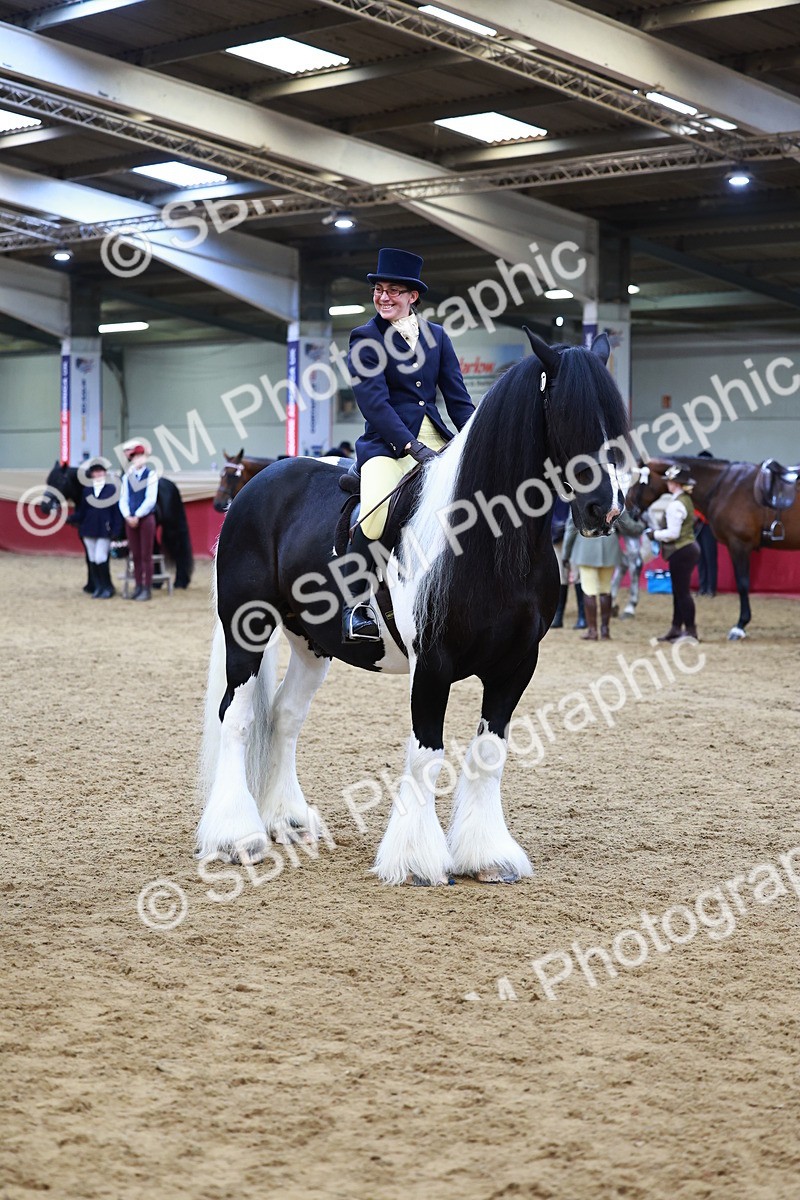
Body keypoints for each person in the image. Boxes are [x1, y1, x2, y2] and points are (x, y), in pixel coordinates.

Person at [342, 247, 475, 640]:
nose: (384, 297)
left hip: (437, 436)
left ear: (413, 296)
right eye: (379, 290)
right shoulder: (364, 338)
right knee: (377, 514)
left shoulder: (437, 337)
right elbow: (376, 405)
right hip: (387, 443)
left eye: (393, 291)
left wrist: (476, 438)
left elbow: (459, 400)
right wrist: (411, 447)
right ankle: (357, 604)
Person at [562, 507, 645, 640]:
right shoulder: (614, 500)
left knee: (589, 591)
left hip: (586, 548)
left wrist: (566, 554)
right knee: (606, 590)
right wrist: (642, 526)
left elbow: (571, 528)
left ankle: (592, 630)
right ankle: (605, 630)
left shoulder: (580, 500)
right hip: (609, 548)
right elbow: (628, 525)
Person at [647, 463, 701, 641]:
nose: (668, 484)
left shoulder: (675, 505)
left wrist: (654, 534)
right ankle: (676, 628)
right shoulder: (684, 500)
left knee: (682, 593)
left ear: (676, 483)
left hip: (681, 550)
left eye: (670, 481)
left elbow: (672, 534)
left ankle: (690, 630)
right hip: (687, 548)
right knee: (679, 592)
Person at [73, 459, 122, 599]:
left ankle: (107, 586)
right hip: (89, 528)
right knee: (93, 558)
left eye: (101, 471)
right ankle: (98, 587)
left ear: (105, 473)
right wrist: (71, 518)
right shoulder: (87, 490)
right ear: (92, 474)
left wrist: (117, 529)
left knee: (101, 557)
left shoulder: (111, 489)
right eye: (96, 472)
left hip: (104, 529)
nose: (98, 474)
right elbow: (83, 511)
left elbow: (116, 511)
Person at [119, 440, 158, 601]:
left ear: (145, 457)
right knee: (135, 554)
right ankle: (138, 586)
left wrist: (138, 515)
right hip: (131, 519)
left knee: (146, 555)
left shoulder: (151, 475)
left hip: (146, 519)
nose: (138, 459)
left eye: (141, 456)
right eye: (135, 457)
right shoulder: (127, 476)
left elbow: (150, 499)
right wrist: (128, 515)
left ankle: (147, 588)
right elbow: (123, 498)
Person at [549, 495, 586, 629]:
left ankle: (582, 616)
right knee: (561, 577)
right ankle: (558, 616)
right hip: (556, 537)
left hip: (574, 537)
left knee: (577, 576)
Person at [694, 450, 718, 596]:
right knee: (700, 557)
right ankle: (703, 587)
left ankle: (711, 588)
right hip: (696, 523)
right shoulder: (696, 481)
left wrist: (700, 515)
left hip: (708, 524)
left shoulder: (714, 481)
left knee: (710, 557)